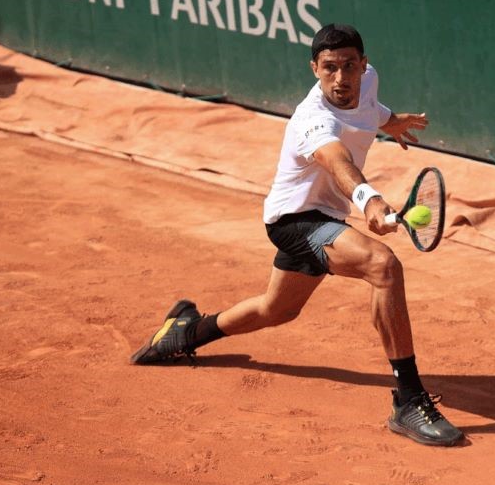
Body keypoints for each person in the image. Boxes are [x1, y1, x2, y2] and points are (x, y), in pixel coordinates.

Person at [130, 23, 464, 447]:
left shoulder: (367, 82)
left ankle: (185, 332)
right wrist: (372, 203)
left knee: (276, 310)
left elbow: (369, 110)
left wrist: (390, 121)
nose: (341, 79)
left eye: (349, 66)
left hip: (326, 218)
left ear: (364, 65)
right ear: (314, 69)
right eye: (329, 69)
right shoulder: (313, 121)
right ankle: (409, 400)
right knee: (382, 265)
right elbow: (339, 162)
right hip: (294, 221)